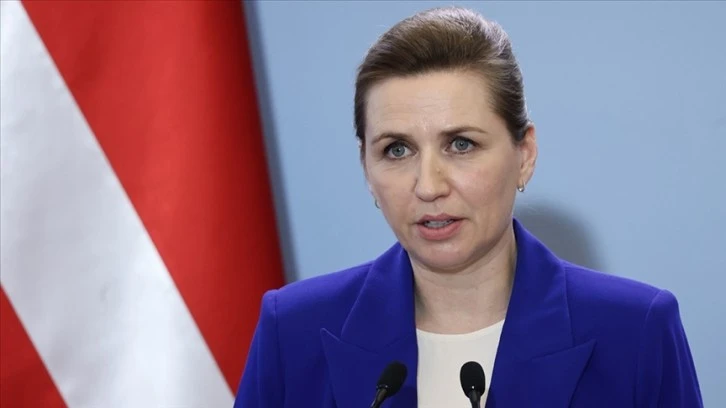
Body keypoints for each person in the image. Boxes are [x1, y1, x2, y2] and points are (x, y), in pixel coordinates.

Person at [234, 6, 702, 408]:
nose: (428, 186)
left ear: (524, 155)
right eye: (397, 149)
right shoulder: (292, 331)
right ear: (366, 169)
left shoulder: (636, 332)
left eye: (460, 144)